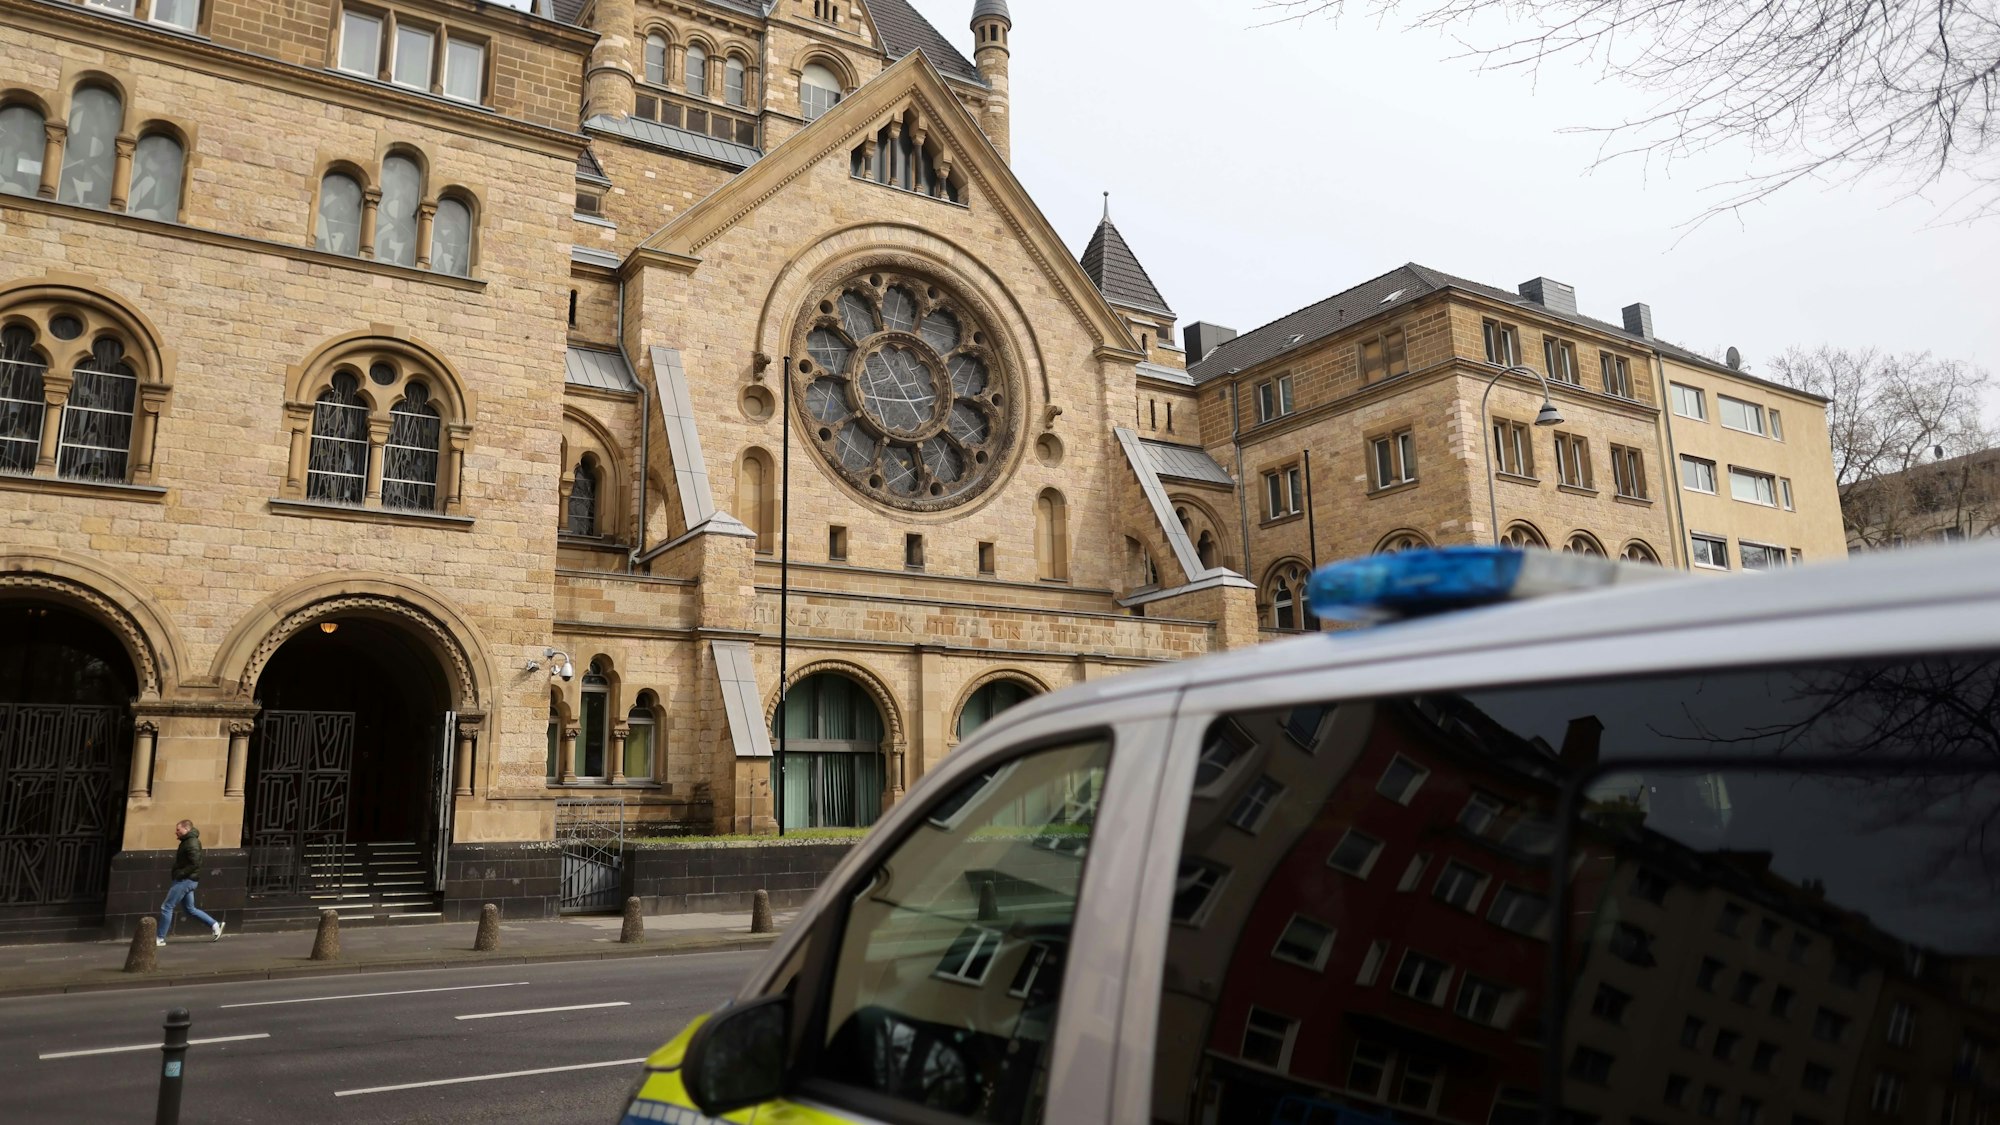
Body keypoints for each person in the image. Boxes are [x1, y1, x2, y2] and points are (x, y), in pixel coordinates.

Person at [159, 819, 223, 946]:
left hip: (185, 880)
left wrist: (180, 874)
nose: (175, 832)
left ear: (186, 829)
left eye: (178, 829)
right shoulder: (187, 842)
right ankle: (215, 924)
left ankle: (159, 938)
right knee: (190, 909)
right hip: (187, 879)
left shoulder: (191, 843)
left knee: (167, 907)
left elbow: (195, 863)